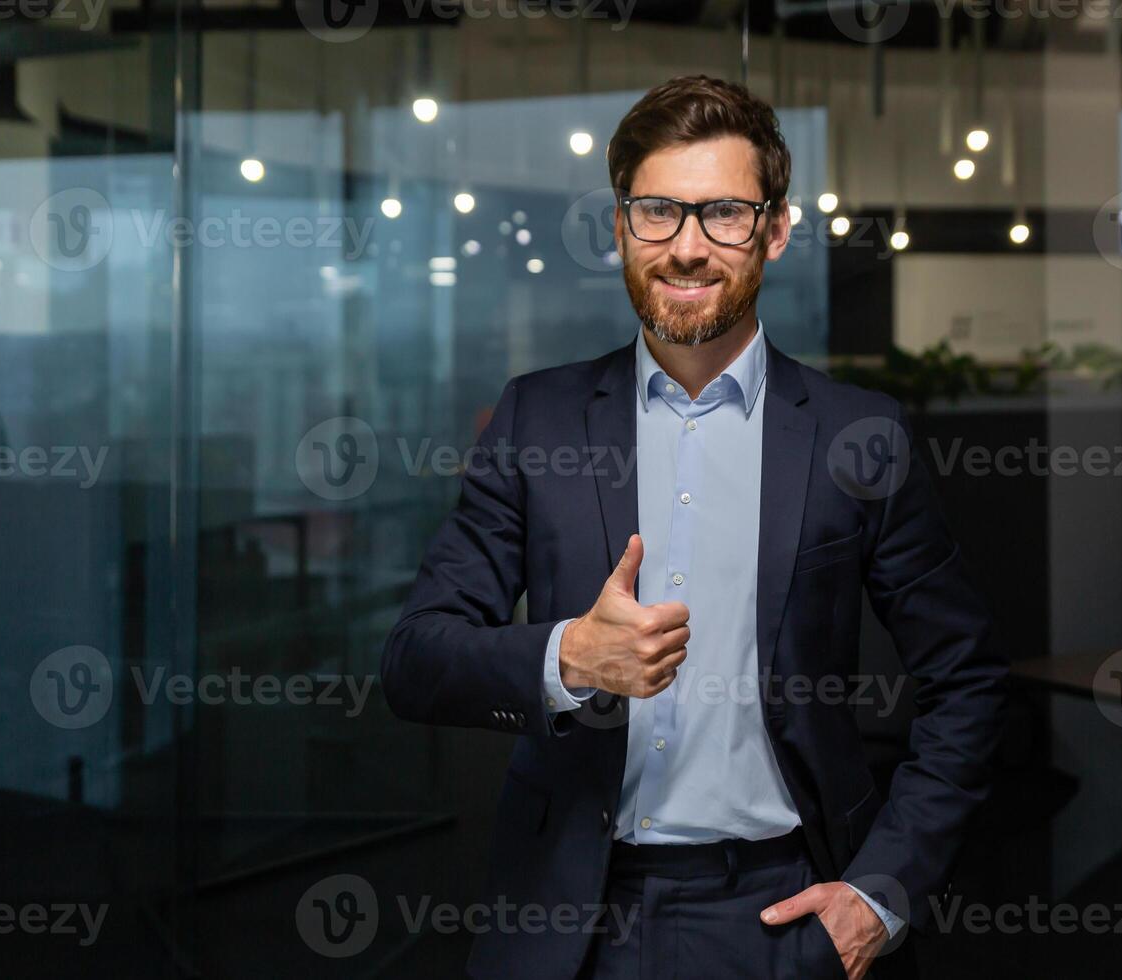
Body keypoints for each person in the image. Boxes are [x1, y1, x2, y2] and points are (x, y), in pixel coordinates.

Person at [382, 74, 1007, 980]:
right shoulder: (538, 420)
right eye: (657, 214)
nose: (686, 248)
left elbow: (968, 680)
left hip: (784, 915)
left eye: (723, 214)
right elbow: (416, 660)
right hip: (570, 922)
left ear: (776, 230)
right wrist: (567, 660)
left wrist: (881, 893)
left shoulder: (856, 436)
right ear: (619, 229)